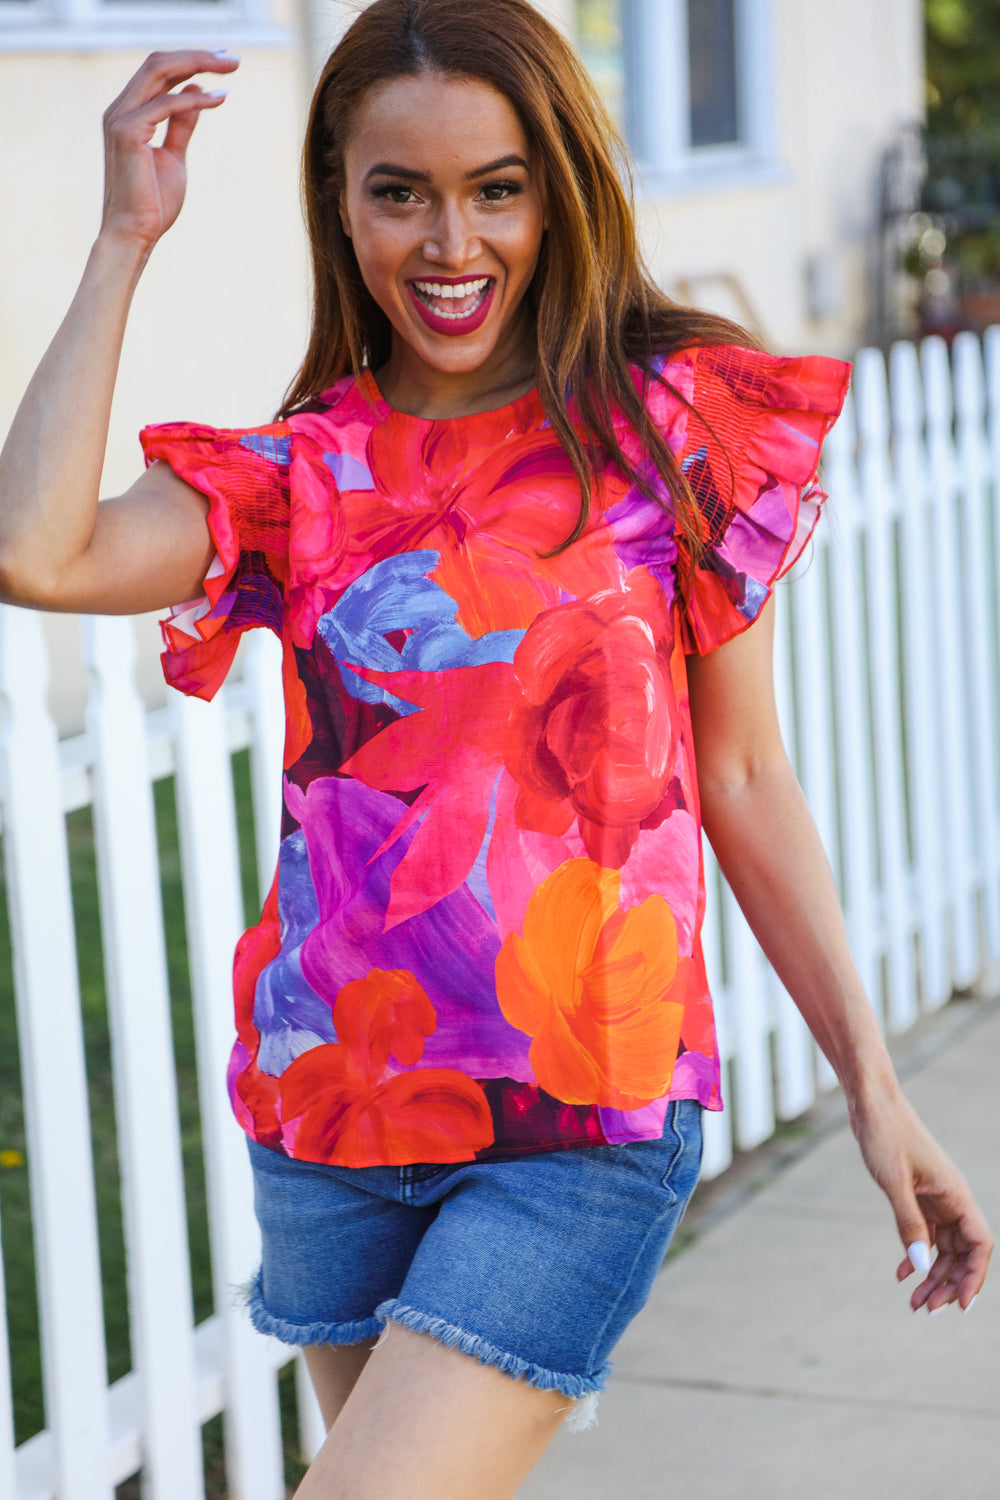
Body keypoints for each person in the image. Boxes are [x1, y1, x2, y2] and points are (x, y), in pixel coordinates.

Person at [0, 3, 991, 1496]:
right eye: (399, 190)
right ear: (341, 198)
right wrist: (127, 238)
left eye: (496, 188)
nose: (448, 242)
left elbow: (741, 779)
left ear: (557, 192)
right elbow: (38, 550)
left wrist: (872, 1082)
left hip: (579, 1121)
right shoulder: (301, 475)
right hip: (333, 1110)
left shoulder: (668, 430)